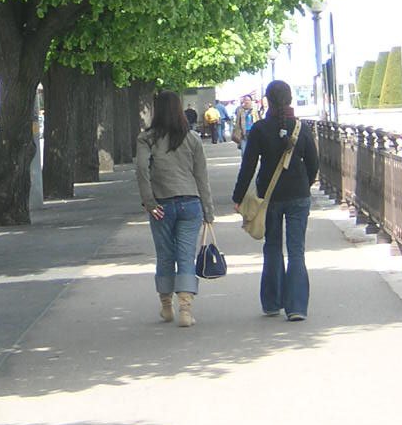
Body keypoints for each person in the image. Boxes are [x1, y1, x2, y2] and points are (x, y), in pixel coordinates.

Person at [231, 80, 318, 322]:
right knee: (296, 251)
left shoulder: (259, 129)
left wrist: (238, 198)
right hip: (298, 195)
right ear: (290, 99)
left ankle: (272, 302)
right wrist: (304, 185)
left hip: (269, 197)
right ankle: (297, 306)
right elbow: (314, 163)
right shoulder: (301, 127)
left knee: (272, 247)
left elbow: (248, 166)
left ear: (267, 100)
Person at [136, 90, 215, 327]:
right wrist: (208, 210)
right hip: (190, 203)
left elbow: (141, 170)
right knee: (185, 255)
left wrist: (149, 202)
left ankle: (166, 306)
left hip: (161, 204)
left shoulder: (146, 139)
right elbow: (202, 176)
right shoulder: (191, 139)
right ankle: (186, 309)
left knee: (165, 254)